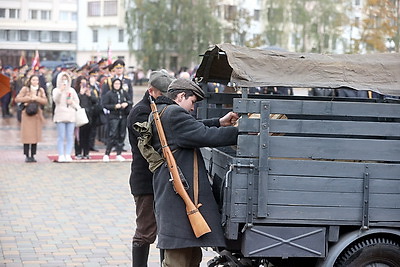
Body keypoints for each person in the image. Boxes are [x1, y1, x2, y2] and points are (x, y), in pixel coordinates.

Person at [147, 78, 239, 266]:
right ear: (181, 96)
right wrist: (242, 130)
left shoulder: (164, 112)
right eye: (192, 102)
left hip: (175, 193)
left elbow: (193, 128)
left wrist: (219, 122)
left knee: (189, 254)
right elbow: (204, 134)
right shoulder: (173, 114)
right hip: (179, 197)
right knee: (179, 258)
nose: (192, 108)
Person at [127, 69, 175, 266]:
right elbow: (153, 142)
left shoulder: (160, 108)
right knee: (145, 231)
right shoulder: (141, 112)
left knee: (166, 229)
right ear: (151, 91)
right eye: (163, 94)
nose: (167, 97)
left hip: (160, 178)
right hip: (146, 181)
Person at [14, 74, 48, 162]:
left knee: (34, 136)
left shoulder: (41, 90)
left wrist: (37, 98)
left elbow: (45, 101)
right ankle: (26, 155)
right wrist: (28, 98)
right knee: (27, 136)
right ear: (30, 81)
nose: (35, 82)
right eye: (33, 80)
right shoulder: (25, 89)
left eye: (36, 80)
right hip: (26, 114)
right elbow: (17, 99)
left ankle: (33, 155)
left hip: (36, 114)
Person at [102, 78, 132, 162]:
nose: (117, 86)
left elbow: (130, 100)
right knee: (112, 134)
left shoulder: (124, 93)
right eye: (115, 84)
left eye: (118, 84)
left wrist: (127, 103)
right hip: (113, 116)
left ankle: (119, 153)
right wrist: (114, 106)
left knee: (121, 135)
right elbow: (105, 104)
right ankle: (107, 153)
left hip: (123, 116)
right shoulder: (109, 94)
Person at [52, 72, 80, 162]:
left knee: (70, 136)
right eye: (62, 79)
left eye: (66, 79)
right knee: (61, 136)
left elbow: (77, 102)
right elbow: (55, 100)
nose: (64, 81)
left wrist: (72, 102)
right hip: (60, 115)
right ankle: (61, 154)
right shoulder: (56, 90)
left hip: (71, 115)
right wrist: (61, 90)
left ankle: (68, 154)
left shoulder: (72, 90)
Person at [74, 76, 97, 159]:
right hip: (79, 115)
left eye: (85, 83)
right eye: (82, 83)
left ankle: (86, 152)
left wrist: (90, 95)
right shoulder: (76, 92)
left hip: (88, 115)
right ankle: (78, 152)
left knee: (87, 135)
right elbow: (75, 101)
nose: (83, 85)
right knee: (79, 136)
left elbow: (95, 101)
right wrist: (81, 94)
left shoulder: (89, 91)